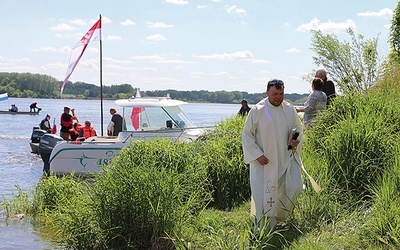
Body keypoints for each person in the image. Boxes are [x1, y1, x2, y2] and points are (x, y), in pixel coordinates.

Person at [241, 79, 304, 231]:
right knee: (264, 196)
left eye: (281, 93)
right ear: (267, 92)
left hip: (286, 158)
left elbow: (298, 128)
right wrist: (256, 154)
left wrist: (295, 140)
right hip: (265, 162)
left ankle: (281, 217)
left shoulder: (289, 109)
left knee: (295, 187)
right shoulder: (258, 110)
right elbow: (247, 134)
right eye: (275, 94)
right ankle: (263, 228)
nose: (278, 97)